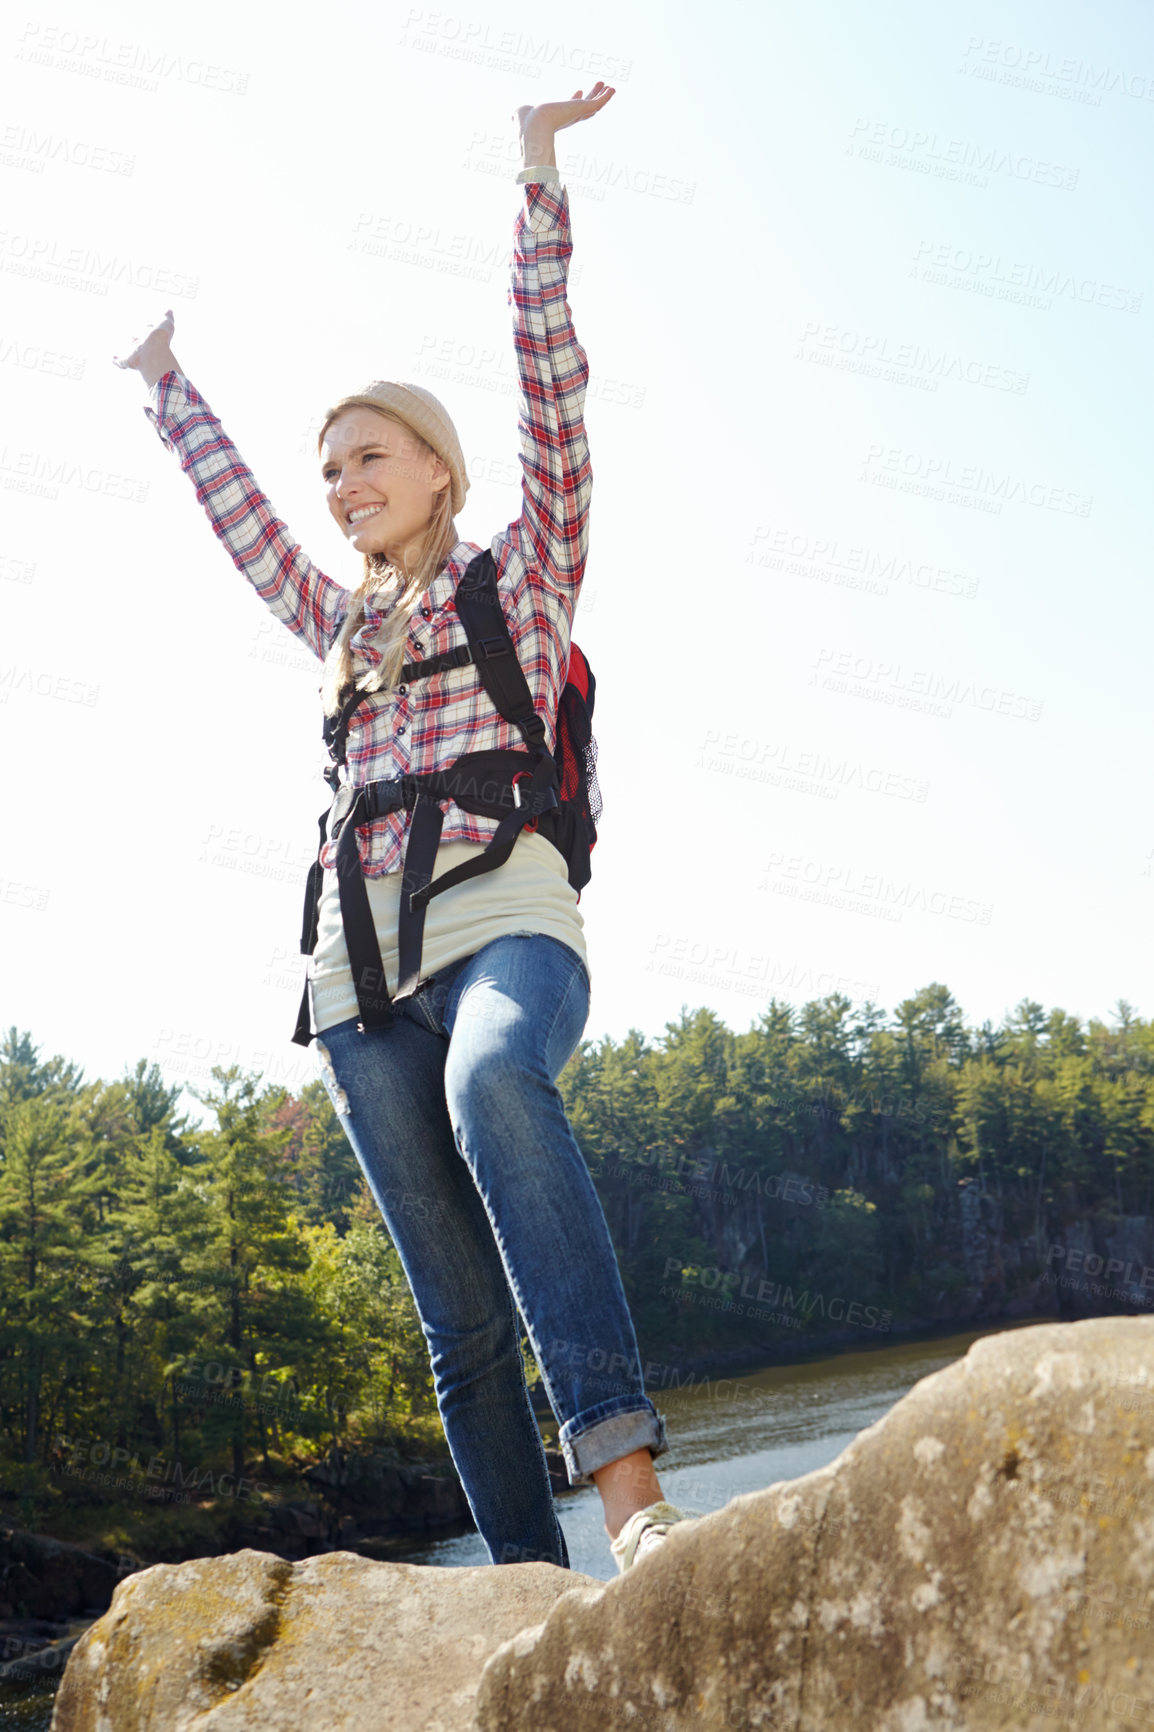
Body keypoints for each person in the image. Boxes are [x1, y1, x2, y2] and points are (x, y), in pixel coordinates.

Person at [114, 86, 690, 1574]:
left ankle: (632, 1510)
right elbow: (242, 516)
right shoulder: (337, 622)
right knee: (454, 1319)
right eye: (333, 473)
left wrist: (535, 180)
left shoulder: (524, 574)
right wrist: (169, 388)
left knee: (503, 1079)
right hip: (355, 982)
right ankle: (522, 1592)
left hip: (506, 924)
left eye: (369, 456)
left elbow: (551, 393)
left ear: (437, 467)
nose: (343, 487)